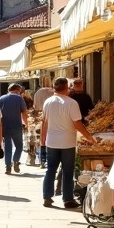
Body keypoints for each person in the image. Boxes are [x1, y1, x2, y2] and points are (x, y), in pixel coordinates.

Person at [41, 76, 96, 209]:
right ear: (66, 87)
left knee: (50, 170)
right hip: (67, 142)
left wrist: (42, 141)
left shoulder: (47, 102)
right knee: (67, 171)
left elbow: (44, 122)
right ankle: (67, 199)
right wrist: (89, 137)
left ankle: (47, 197)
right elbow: (77, 123)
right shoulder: (71, 103)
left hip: (52, 142)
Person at [0, 83, 29, 175]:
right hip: (16, 126)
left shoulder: (2, 98)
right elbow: (24, 113)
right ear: (17, 90)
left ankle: (8, 166)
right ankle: (15, 161)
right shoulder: (19, 99)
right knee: (19, 145)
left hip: (5, 126)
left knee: (7, 146)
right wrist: (26, 124)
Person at [33, 79, 55, 168]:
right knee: (47, 140)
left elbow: (35, 108)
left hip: (42, 120)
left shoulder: (38, 93)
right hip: (51, 121)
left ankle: (42, 159)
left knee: (42, 140)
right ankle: (47, 160)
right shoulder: (53, 94)